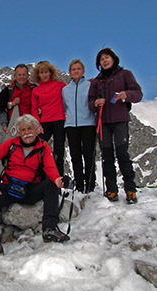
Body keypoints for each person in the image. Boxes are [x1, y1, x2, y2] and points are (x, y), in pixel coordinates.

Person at [0, 114, 70, 259]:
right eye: (23, 130)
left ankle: (50, 229)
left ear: (37, 129)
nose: (27, 132)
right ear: (19, 132)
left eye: (30, 128)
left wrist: (57, 180)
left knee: (51, 185)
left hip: (31, 190)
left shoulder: (43, 148)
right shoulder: (11, 144)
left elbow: (50, 168)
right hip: (9, 187)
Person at [88, 48, 143, 204]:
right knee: (107, 156)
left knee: (122, 154)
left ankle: (130, 189)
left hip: (120, 120)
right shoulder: (97, 81)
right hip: (103, 122)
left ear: (113, 59)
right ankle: (111, 190)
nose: (104, 61)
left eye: (106, 57)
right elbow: (90, 102)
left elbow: (138, 93)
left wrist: (127, 95)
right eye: (101, 59)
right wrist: (95, 103)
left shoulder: (125, 75)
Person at [62, 60, 96, 193]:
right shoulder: (65, 90)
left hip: (88, 124)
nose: (76, 71)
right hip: (71, 125)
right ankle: (79, 185)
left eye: (78, 69)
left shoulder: (90, 86)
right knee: (75, 156)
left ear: (83, 71)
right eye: (73, 69)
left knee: (88, 155)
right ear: (70, 72)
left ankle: (90, 184)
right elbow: (65, 107)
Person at [31, 61, 67, 175]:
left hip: (59, 121)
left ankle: (60, 179)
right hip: (44, 123)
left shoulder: (60, 85)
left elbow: (72, 90)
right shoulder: (36, 90)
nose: (44, 75)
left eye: (46, 72)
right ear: (38, 75)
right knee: (39, 149)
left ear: (50, 73)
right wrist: (38, 125)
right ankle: (42, 177)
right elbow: (34, 109)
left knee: (59, 152)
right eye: (42, 73)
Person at [0, 64, 36, 133]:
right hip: (14, 125)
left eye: (24, 75)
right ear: (15, 76)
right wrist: (11, 104)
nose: (22, 77)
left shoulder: (33, 88)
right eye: (19, 75)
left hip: (31, 124)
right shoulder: (9, 89)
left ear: (28, 76)